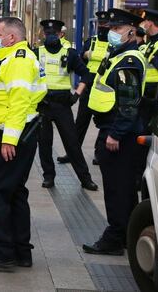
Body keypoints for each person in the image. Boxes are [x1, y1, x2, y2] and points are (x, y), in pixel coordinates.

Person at [0, 16, 46, 271]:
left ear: (11, 37)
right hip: (9, 134)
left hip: (8, 135)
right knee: (14, 192)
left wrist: (8, 140)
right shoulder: (9, 58)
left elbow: (18, 103)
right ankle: (20, 251)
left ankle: (3, 252)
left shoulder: (19, 62)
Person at [82, 8, 146, 256]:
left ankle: (115, 237)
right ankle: (127, 235)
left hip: (119, 134)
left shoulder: (128, 60)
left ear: (131, 31)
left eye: (117, 29)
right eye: (111, 29)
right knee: (123, 188)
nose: (112, 33)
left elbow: (128, 104)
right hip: (113, 129)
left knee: (118, 189)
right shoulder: (119, 54)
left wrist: (115, 134)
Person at [33, 19, 98, 191]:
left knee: (72, 143)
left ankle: (85, 179)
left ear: (61, 34)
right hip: (43, 104)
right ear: (43, 35)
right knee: (44, 143)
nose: (50, 37)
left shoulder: (69, 53)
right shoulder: (36, 53)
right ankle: (49, 177)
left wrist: (77, 94)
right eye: (47, 34)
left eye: (54, 34)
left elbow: (86, 74)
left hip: (62, 104)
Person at [68, 10, 110, 165]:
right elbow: (80, 61)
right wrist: (84, 56)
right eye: (101, 23)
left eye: (106, 24)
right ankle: (73, 153)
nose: (103, 26)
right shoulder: (90, 41)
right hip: (88, 85)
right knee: (81, 121)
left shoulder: (113, 44)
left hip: (104, 87)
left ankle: (99, 154)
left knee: (103, 122)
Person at [138, 9, 158, 132]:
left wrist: (153, 58)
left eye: (145, 21)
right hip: (147, 95)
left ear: (150, 23)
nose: (144, 24)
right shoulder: (152, 42)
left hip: (157, 97)